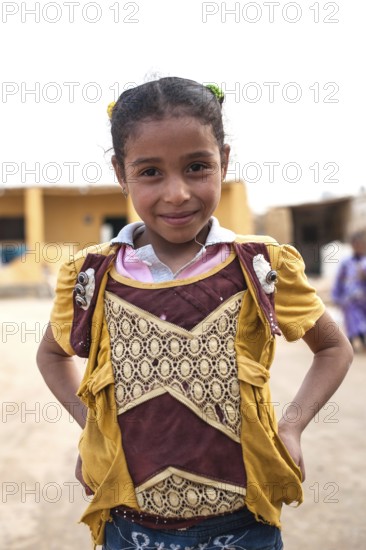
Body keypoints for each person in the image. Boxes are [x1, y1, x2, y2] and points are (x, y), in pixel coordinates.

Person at [37, 77, 353, 550]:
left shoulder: (261, 266)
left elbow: (332, 347)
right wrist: (93, 428)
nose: (178, 193)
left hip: (245, 523)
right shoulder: (91, 276)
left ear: (224, 161)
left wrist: (292, 425)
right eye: (149, 173)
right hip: (131, 525)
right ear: (120, 173)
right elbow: (51, 356)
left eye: (197, 166)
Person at [332, 232, 366, 351]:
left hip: (363, 299)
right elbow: (339, 280)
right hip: (349, 299)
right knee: (351, 323)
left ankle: (362, 342)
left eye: (360, 244)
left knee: (362, 322)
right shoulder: (346, 263)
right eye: (356, 244)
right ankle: (351, 345)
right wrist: (336, 296)